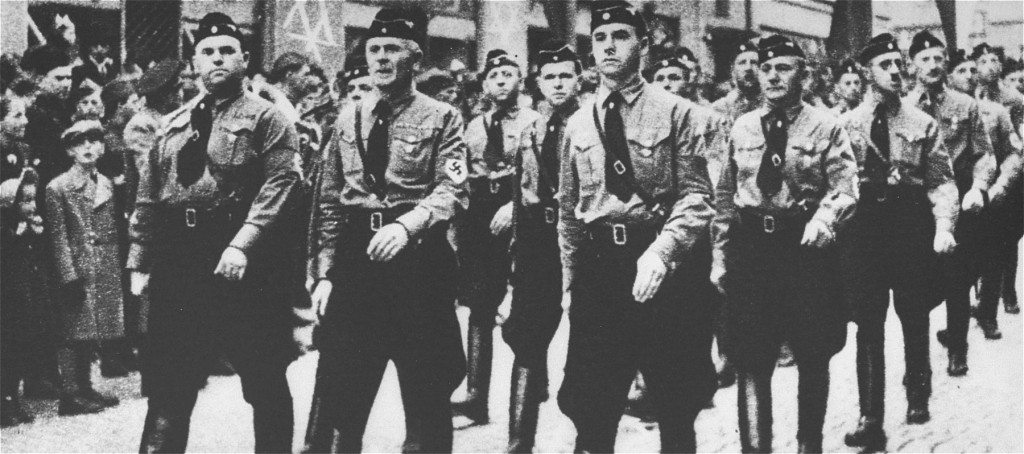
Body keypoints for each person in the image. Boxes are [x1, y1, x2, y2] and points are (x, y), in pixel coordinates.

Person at [128, 12, 302, 452]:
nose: (217, 58)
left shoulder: (269, 119)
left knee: (262, 376)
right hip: (182, 259)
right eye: (207, 52)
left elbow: (280, 185)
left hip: (245, 260)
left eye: (227, 50)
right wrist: (140, 259)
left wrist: (243, 243)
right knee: (171, 379)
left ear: (245, 59)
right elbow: (150, 194)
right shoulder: (174, 123)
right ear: (194, 64)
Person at [306, 6, 469, 452]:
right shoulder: (347, 118)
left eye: (392, 48)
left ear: (414, 58)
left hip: (418, 262)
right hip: (358, 262)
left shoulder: (444, 117)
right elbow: (329, 204)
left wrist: (409, 224)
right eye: (374, 49)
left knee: (427, 388)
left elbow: (453, 190)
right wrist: (324, 273)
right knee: (343, 387)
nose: (380, 58)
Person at [557, 3, 718, 451]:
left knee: (675, 399)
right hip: (600, 270)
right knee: (591, 401)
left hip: (663, 268)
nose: (609, 46)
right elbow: (571, 211)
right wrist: (572, 280)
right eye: (600, 39)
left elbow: (697, 196)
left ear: (643, 46)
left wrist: (663, 251)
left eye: (622, 36)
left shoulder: (680, 113)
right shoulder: (577, 123)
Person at [712, 34, 859, 453]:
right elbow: (724, 198)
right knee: (750, 357)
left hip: (806, 251)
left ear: (804, 75)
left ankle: (808, 444)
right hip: (753, 248)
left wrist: (825, 218)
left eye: (784, 67)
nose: (773, 76)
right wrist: (720, 256)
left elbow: (846, 189)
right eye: (766, 68)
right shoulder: (741, 128)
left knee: (813, 354)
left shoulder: (827, 125)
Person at [838, 33, 959, 451]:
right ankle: (870, 413)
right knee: (868, 323)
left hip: (909, 227)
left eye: (897, 63)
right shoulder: (845, 125)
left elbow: (942, 181)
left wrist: (944, 225)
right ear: (866, 73)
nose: (894, 71)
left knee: (913, 312)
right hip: (865, 230)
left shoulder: (922, 123)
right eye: (884, 65)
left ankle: (918, 393)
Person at [500, 39, 580, 453]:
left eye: (566, 75)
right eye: (550, 77)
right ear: (538, 82)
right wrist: (517, 245)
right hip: (536, 240)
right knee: (527, 334)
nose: (558, 84)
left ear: (580, 78)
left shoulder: (593, 123)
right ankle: (519, 440)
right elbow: (520, 190)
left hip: (582, 241)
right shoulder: (530, 128)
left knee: (589, 334)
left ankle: (589, 431)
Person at [454, 48, 541, 426]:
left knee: (529, 303)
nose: (502, 80)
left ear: (520, 81)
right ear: (485, 83)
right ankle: (476, 395)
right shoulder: (473, 125)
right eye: (495, 76)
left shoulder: (535, 122)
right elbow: (459, 172)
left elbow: (543, 176)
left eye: (508, 74)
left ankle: (535, 381)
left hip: (523, 212)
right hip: (481, 217)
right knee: (480, 303)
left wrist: (517, 207)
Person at [905, 31, 999, 375]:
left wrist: (978, 186)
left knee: (957, 279)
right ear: (912, 64)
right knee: (915, 285)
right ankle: (916, 360)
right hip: (915, 204)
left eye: (938, 58)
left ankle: (958, 348)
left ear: (946, 63)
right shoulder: (902, 109)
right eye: (925, 59)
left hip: (957, 199)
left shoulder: (964, 105)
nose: (932, 65)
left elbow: (983, 154)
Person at [45, 120, 126, 416]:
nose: (89, 147)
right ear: (69, 150)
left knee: (94, 329)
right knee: (74, 330)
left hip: (103, 264)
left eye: (94, 141)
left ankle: (85, 386)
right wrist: (68, 274)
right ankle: (70, 394)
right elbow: (59, 236)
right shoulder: (59, 187)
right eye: (81, 142)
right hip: (78, 266)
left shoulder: (104, 183)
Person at [948, 49, 1024, 340]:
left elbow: (1015, 152)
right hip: (955, 198)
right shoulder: (938, 112)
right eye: (964, 70)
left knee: (993, 257)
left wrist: (1001, 185)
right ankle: (958, 324)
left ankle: (988, 314)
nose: (970, 75)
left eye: (972, 69)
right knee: (956, 265)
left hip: (991, 196)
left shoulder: (997, 110)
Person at [0, 169, 49, 427]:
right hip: (7, 302)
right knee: (6, 350)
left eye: (32, 200)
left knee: (19, 349)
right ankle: (4, 400)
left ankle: (11, 396)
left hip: (23, 300)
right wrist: (16, 236)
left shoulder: (28, 229)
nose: (31, 206)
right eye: (25, 201)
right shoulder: (6, 231)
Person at [22, 44, 75, 188]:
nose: (66, 84)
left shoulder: (62, 108)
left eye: (69, 78)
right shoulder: (31, 113)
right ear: (39, 79)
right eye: (59, 78)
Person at [711, 40, 761, 129]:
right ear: (732, 70)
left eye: (754, 63)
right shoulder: (720, 108)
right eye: (742, 63)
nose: (748, 68)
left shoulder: (769, 106)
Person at [974, 43, 1024, 130]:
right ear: (976, 68)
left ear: (1000, 66)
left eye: (993, 61)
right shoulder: (972, 95)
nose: (990, 67)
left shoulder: (1012, 95)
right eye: (983, 62)